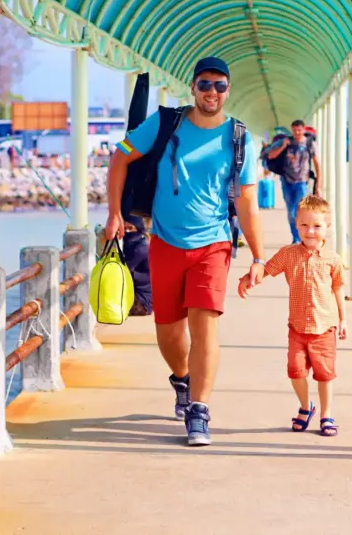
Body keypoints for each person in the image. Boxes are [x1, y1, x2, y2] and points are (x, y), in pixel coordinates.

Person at [104, 56, 265, 446]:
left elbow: (247, 201)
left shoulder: (239, 138)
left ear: (228, 90)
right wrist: (114, 213)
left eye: (220, 85)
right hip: (164, 242)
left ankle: (199, 409)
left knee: (204, 323)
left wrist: (259, 257)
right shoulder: (165, 123)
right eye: (205, 84)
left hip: (214, 243)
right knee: (168, 331)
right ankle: (182, 378)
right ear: (192, 87)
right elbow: (120, 157)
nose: (212, 91)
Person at [237, 195, 346, 437]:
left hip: (324, 328)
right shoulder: (288, 254)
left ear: (327, 227)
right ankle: (306, 407)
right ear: (296, 224)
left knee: (324, 375)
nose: (310, 231)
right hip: (297, 328)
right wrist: (248, 279)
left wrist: (343, 319)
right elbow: (267, 270)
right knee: (296, 372)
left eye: (317, 226)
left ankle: (326, 415)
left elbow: (338, 288)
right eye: (304, 225)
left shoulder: (333, 259)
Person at [266, 119, 320, 242]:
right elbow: (270, 155)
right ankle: (296, 238)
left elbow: (317, 164)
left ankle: (299, 238)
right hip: (287, 181)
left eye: (299, 130)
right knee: (291, 212)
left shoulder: (309, 143)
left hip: (302, 182)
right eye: (294, 130)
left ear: (304, 129)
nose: (297, 133)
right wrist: (283, 146)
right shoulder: (286, 141)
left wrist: (318, 184)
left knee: (299, 211)